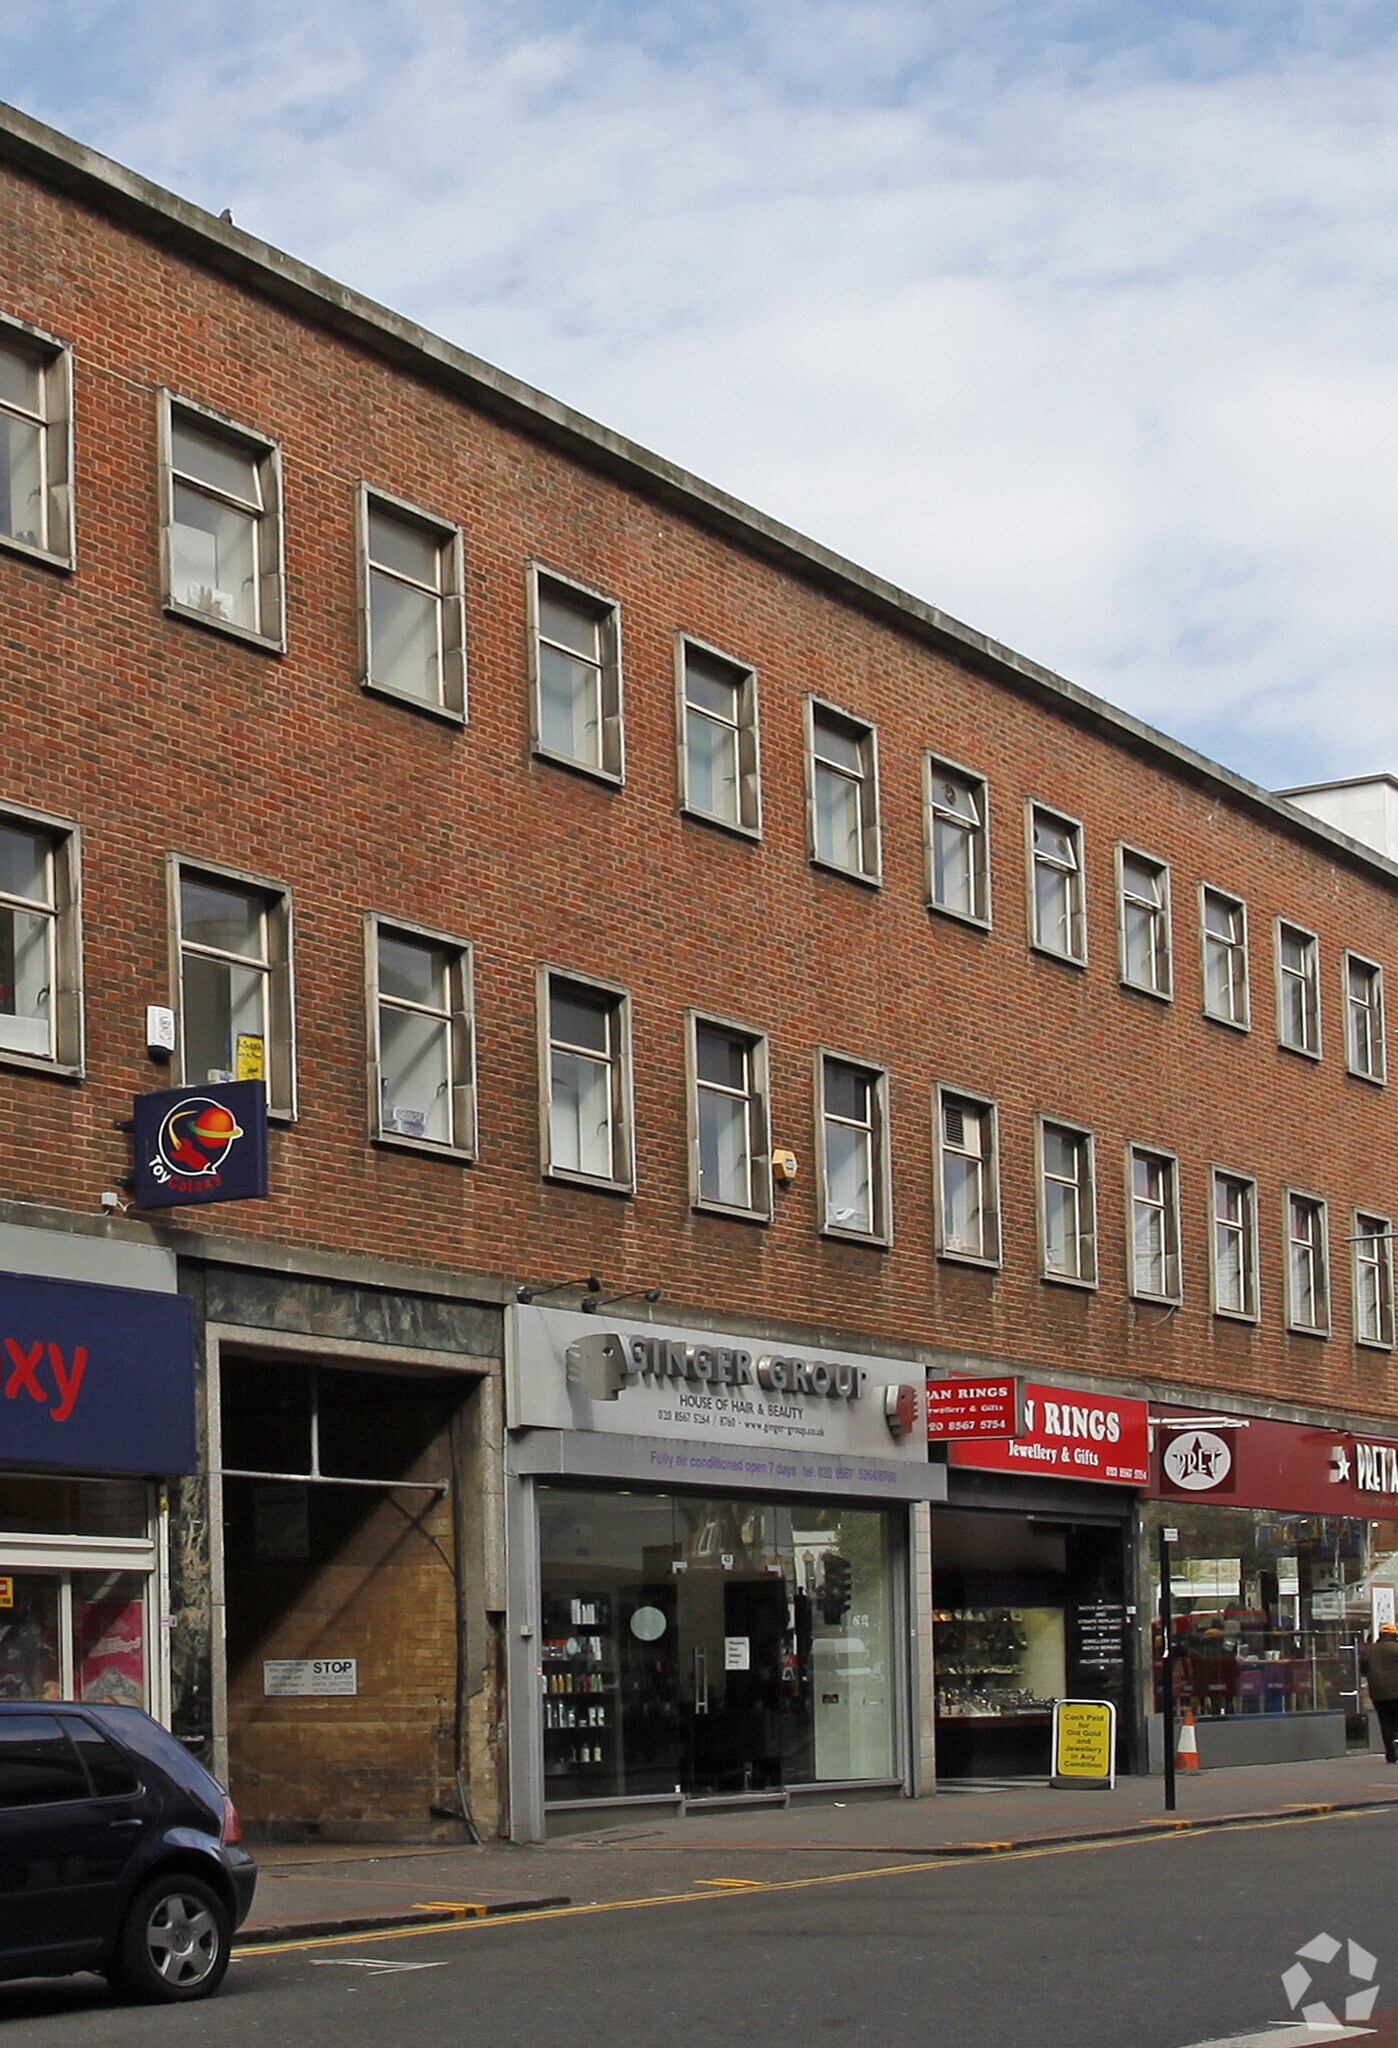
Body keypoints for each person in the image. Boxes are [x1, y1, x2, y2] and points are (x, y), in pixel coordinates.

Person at [1360, 1622, 1398, 1761]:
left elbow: (1363, 1671)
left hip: (1378, 1694)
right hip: (1396, 1692)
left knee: (1386, 1723)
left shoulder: (1369, 1651)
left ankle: (1390, 1754)